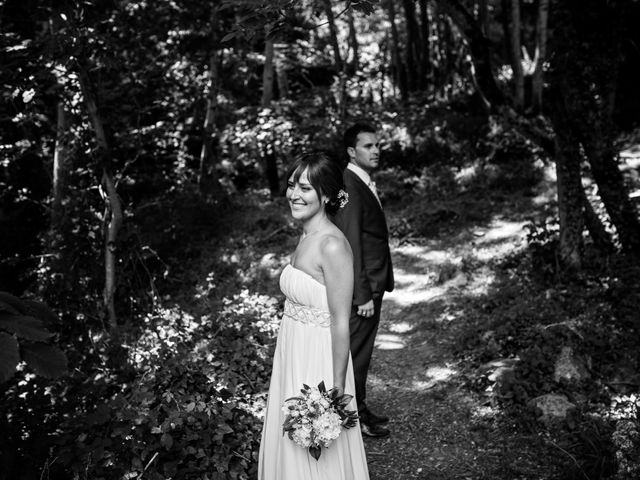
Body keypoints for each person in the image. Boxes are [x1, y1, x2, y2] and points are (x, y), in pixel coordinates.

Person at [258, 152, 369, 480]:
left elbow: (339, 320)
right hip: (293, 348)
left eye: (305, 188)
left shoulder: (332, 245)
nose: (294, 194)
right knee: (290, 444)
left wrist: (335, 391)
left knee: (317, 457)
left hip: (317, 359)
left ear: (325, 195)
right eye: (292, 185)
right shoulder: (307, 234)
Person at [332, 123, 394, 438]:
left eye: (377, 145)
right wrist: (362, 294)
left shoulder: (362, 181)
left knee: (362, 353)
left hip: (373, 282)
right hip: (364, 288)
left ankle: (358, 409)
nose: (376, 150)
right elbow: (350, 243)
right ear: (351, 152)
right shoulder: (350, 184)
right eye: (368, 146)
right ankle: (349, 418)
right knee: (356, 353)